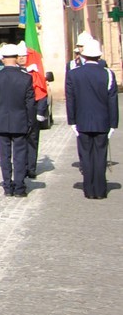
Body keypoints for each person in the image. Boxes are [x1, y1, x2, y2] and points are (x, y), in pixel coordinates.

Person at [67, 39, 119, 200]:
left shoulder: (74, 73)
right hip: (102, 121)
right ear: (98, 56)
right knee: (100, 156)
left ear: (83, 56)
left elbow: (71, 99)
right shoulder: (108, 73)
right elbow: (112, 100)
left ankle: (89, 189)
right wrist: (113, 124)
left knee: (86, 156)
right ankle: (100, 190)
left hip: (82, 120)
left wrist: (72, 121)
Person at [0, 45, 36, 197]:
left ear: (2, 59)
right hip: (20, 121)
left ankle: (8, 186)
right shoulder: (26, 77)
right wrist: (30, 122)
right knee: (20, 155)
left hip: (1, 121)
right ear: (16, 58)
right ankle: (20, 186)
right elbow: (30, 104)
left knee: (5, 155)